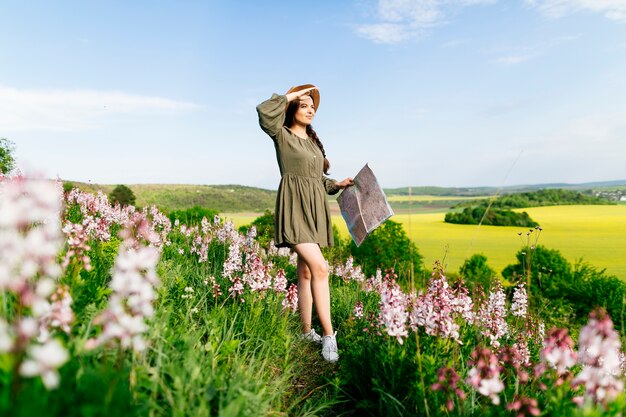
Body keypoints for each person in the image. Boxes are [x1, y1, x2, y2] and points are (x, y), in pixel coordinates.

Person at [256, 84, 353, 363]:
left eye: (313, 106)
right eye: (304, 105)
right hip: (295, 209)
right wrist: (292, 95)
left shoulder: (312, 143)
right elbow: (264, 111)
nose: (310, 109)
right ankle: (329, 336)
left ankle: (306, 331)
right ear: (292, 108)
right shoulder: (281, 135)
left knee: (308, 273)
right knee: (321, 267)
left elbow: (317, 180)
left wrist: (337, 183)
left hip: (315, 209)